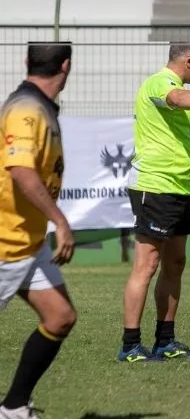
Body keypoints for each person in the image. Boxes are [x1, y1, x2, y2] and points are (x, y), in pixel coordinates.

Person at [118, 42, 190, 363]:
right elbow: (177, 98)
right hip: (155, 187)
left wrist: (189, 187)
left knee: (175, 263)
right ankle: (130, 345)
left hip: (178, 188)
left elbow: (178, 139)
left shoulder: (179, 89)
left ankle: (164, 342)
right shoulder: (160, 83)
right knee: (147, 265)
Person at [0, 42, 76, 419]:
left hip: (27, 244)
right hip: (5, 243)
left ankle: (14, 408)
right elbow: (21, 171)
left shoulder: (40, 106)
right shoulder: (26, 109)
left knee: (60, 316)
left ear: (26, 62)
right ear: (66, 66)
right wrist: (60, 220)